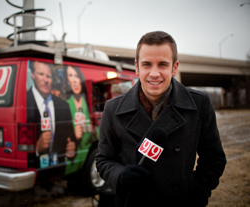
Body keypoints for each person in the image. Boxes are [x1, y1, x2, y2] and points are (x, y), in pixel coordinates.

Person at [96, 31, 226, 207]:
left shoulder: (199, 104)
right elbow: (104, 160)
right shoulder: (113, 109)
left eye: (163, 64)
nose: (154, 73)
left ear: (174, 67)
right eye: (147, 64)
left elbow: (214, 159)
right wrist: (119, 175)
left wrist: (196, 193)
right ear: (137, 67)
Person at [27, 61, 76, 168]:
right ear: (33, 75)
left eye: (48, 76)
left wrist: (72, 149)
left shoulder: (64, 106)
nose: (45, 80)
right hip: (33, 170)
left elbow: (71, 138)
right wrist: (36, 148)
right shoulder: (23, 102)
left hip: (58, 170)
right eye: (41, 74)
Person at [63, 65, 93, 174]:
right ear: (68, 81)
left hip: (87, 153)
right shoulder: (65, 104)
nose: (74, 80)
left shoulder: (88, 102)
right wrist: (72, 135)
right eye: (70, 76)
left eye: (76, 76)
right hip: (72, 159)